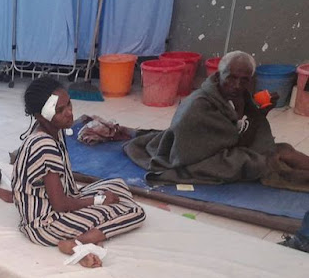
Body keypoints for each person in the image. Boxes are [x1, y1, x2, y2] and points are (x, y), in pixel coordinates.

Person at [0, 76, 146, 268]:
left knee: (118, 184)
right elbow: (60, 205)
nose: (69, 113)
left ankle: (91, 226)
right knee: (135, 212)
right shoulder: (44, 145)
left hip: (60, 201)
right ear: (40, 116)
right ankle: (80, 241)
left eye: (69, 104)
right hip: (46, 224)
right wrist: (98, 201)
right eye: (60, 110)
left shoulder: (52, 130)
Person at [124, 51, 309, 187]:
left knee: (283, 149)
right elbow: (234, 140)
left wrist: (260, 112)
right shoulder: (199, 105)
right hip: (197, 160)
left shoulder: (237, 95)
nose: (237, 85)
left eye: (244, 80)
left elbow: (238, 134)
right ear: (219, 75)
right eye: (231, 78)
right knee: (269, 162)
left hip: (221, 149)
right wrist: (257, 117)